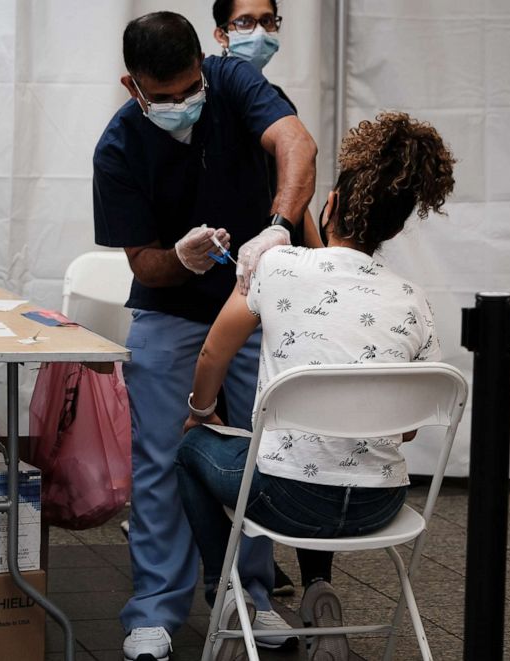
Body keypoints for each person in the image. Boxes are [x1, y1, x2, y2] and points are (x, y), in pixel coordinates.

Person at [175, 111, 455, 661]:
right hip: (382, 506)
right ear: (395, 228)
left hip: (286, 501)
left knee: (190, 450)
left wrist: (201, 411)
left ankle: (226, 596)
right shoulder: (414, 300)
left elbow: (213, 352)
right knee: (332, 451)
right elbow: (404, 433)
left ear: (328, 205)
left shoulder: (278, 265)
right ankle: (321, 599)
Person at [91, 11, 316, 661]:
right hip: (169, 310)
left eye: (190, 89)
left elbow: (297, 143)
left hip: (248, 303)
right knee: (161, 458)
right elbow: (142, 262)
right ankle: (156, 609)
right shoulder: (119, 147)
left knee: (249, 454)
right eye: (161, 98)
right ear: (131, 85)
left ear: (204, 66)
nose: (180, 105)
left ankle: (248, 595)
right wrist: (180, 259)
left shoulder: (235, 82)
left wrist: (280, 224)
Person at [211, 0, 310, 598]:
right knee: (194, 434)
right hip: (201, 284)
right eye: (245, 21)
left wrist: (315, 250)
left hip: (253, 285)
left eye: (269, 20)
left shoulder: (275, 108)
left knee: (257, 439)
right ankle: (208, 561)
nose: (260, 31)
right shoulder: (213, 83)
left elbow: (298, 164)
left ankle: (250, 571)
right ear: (220, 33)